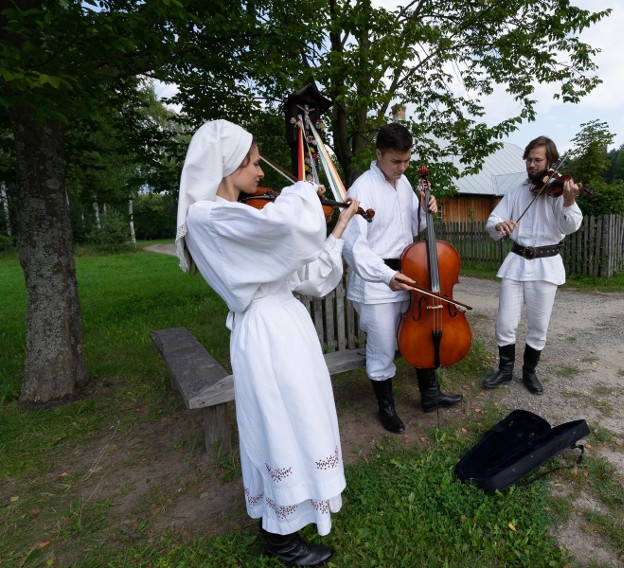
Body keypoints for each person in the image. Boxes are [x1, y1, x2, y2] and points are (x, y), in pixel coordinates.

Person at [176, 119, 359, 567]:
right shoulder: (208, 217)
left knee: (301, 419)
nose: (261, 173)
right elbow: (288, 228)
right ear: (228, 164)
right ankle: (280, 537)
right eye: (254, 163)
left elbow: (304, 273)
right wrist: (302, 191)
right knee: (278, 425)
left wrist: (338, 227)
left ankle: (291, 516)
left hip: (286, 325)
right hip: (265, 333)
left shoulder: (242, 218)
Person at [341, 123, 463, 434]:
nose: (403, 167)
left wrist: (426, 208)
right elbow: (353, 246)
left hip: (410, 275)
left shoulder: (406, 183)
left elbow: (414, 226)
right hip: (376, 283)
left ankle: (430, 396)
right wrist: (386, 275)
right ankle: (387, 408)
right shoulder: (361, 189)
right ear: (378, 154)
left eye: (407, 161)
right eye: (396, 161)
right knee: (382, 347)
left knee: (422, 334)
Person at [482, 135, 584, 395]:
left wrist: (569, 202)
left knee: (538, 326)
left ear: (550, 162)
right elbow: (492, 221)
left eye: (537, 160)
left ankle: (529, 373)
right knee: (505, 323)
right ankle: (505, 371)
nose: (531, 164)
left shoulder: (559, 192)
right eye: (529, 159)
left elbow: (569, 225)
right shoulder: (517, 192)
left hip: (546, 265)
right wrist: (499, 225)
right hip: (516, 262)